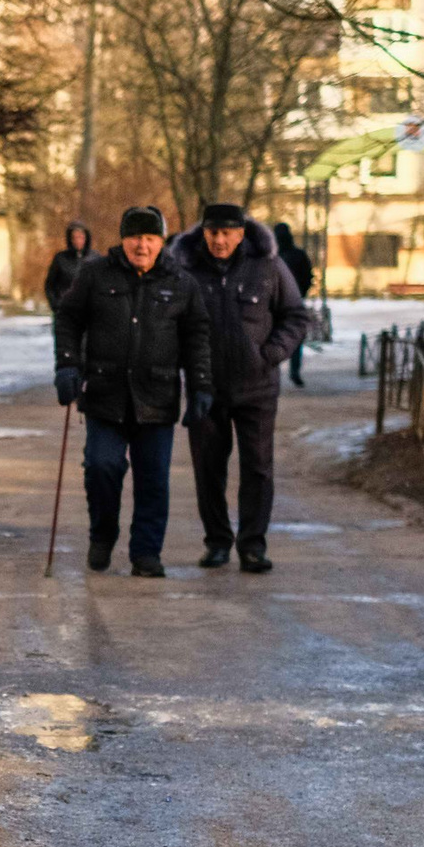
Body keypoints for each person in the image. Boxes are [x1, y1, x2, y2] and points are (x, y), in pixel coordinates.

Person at [52, 206, 214, 578]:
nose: (142, 245)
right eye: (135, 237)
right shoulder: (95, 274)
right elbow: (68, 317)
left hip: (157, 396)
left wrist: (201, 385)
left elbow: (197, 337)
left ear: (161, 242)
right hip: (105, 393)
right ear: (123, 239)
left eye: (150, 238)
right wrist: (67, 364)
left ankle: (146, 553)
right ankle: (103, 533)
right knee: (101, 466)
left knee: (153, 478)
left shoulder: (181, 282)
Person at [172, 204, 314, 573]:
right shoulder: (186, 269)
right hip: (206, 389)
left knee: (258, 468)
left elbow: (297, 315)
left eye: (227, 233)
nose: (219, 240)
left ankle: (252, 545)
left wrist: (272, 353)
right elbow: (171, 322)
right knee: (208, 469)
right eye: (212, 232)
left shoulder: (267, 266)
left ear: (241, 233)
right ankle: (217, 542)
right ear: (203, 233)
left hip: (257, 388)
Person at [272, 221, 317, 388]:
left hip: (275, 305)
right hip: (294, 303)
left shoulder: (272, 256)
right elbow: (308, 277)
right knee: (295, 337)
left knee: (273, 338)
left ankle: (272, 372)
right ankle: (294, 371)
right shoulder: (299, 255)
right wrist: (300, 294)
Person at [43, 220, 93, 311]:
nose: (78, 241)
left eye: (81, 237)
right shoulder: (60, 259)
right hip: (65, 311)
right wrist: (56, 305)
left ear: (86, 238)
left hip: (89, 313)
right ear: (70, 239)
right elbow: (49, 285)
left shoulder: (95, 258)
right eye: (75, 237)